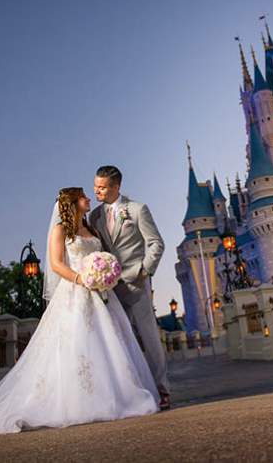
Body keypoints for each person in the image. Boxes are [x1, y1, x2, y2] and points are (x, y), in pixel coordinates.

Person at [0, 187, 158, 443]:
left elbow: (101, 255)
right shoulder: (61, 230)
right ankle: (77, 400)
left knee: (108, 343)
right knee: (77, 345)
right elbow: (57, 264)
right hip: (76, 292)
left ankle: (117, 394)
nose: (88, 199)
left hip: (101, 295)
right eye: (83, 196)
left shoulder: (92, 229)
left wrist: (105, 274)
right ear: (72, 203)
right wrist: (83, 278)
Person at [90, 165, 170, 410]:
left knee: (149, 339)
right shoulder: (94, 216)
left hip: (137, 284)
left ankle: (162, 390)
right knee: (120, 341)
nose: (97, 191)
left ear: (116, 187)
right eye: (95, 186)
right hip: (111, 289)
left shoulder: (137, 210)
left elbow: (156, 243)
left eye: (102, 187)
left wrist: (145, 270)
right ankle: (132, 393)